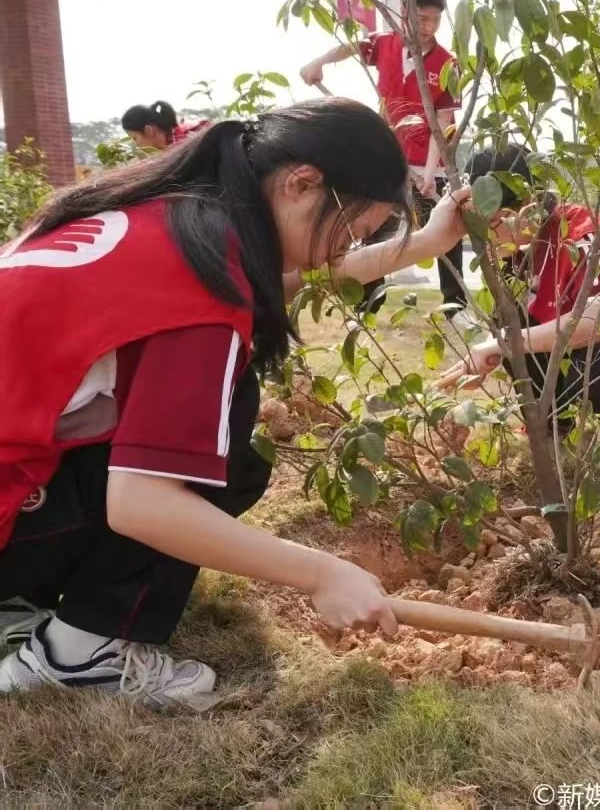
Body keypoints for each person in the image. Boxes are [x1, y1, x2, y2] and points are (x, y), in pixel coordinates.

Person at [0, 97, 473, 706]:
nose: (338, 253)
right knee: (224, 436)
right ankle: (78, 654)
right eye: (350, 232)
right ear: (302, 183)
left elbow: (284, 280)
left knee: (217, 446)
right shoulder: (199, 286)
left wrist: (428, 243)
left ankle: (19, 600)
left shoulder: (168, 216)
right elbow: (142, 505)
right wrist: (322, 573)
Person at [440, 146, 600, 455]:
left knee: (593, 366)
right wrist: (492, 351)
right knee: (510, 321)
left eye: (490, 223)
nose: (484, 237)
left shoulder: (586, 234)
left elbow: (595, 324)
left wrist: (502, 343)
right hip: (595, 345)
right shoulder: (523, 250)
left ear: (525, 208)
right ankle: (549, 426)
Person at [300, 0, 468, 320]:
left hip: (427, 165)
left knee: (444, 232)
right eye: (422, 18)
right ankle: (368, 304)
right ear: (404, 13)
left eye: (436, 20)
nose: (429, 27)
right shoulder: (386, 44)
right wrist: (319, 62)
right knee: (373, 227)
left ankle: (456, 308)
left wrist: (430, 173)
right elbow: (353, 46)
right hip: (388, 159)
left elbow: (443, 122)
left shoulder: (447, 64)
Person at [121, 101, 210, 150]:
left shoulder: (191, 138)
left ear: (148, 130)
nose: (136, 145)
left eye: (135, 138)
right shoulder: (168, 147)